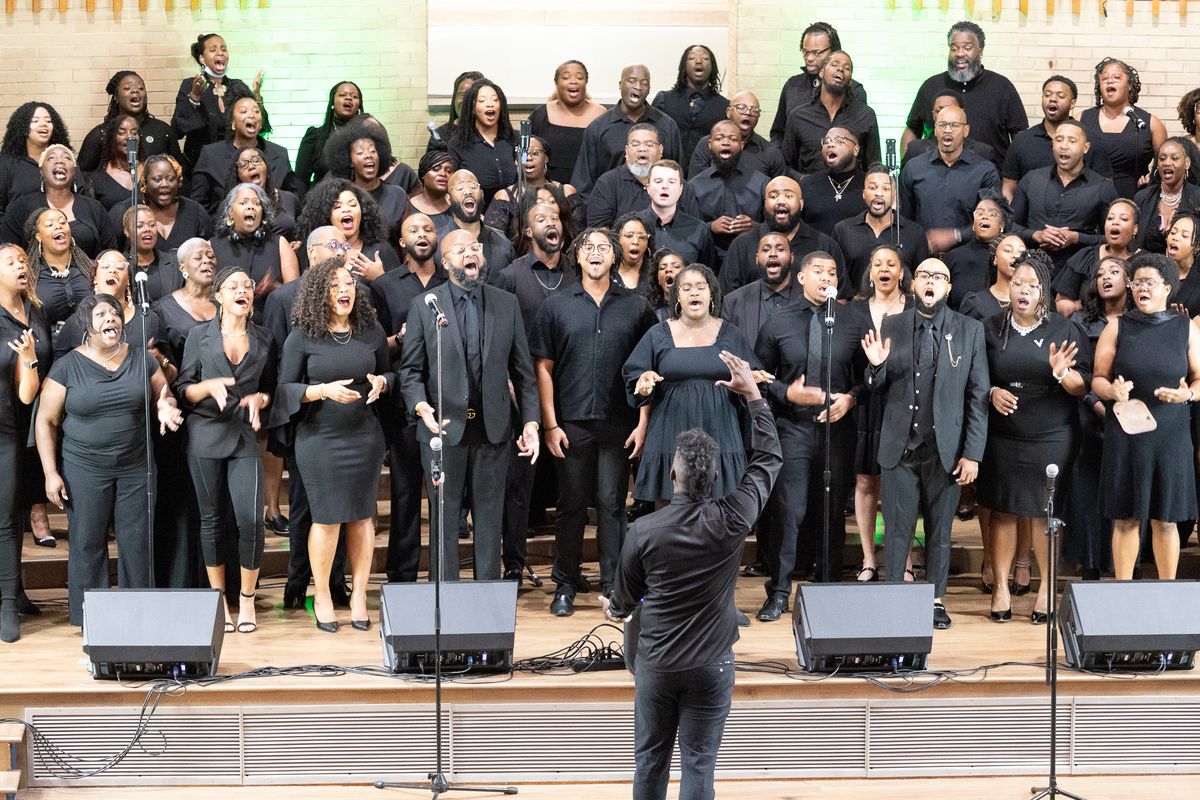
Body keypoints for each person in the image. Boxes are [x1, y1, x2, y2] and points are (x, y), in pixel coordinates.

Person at [605, 349, 780, 800]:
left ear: (671, 475)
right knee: (699, 766)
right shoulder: (734, 516)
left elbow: (623, 603)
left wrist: (620, 605)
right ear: (718, 475)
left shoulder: (644, 530)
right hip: (711, 665)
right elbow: (768, 460)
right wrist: (755, 398)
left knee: (650, 763)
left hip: (657, 665)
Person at [398, 228, 539, 581]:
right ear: (445, 263)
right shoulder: (425, 306)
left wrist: (532, 423)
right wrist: (420, 406)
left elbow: (523, 371)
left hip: (492, 427)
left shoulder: (505, 304)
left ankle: (486, 601)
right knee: (444, 517)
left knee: (490, 518)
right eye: (461, 250)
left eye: (475, 247)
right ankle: (445, 600)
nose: (470, 253)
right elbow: (411, 370)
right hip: (442, 429)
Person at [34, 294, 183, 626]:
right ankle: (92, 619)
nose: (111, 319)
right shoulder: (68, 365)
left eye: (115, 314)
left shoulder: (142, 358)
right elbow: (45, 420)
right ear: (87, 325)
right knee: (87, 543)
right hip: (84, 468)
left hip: (136, 467)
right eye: (101, 315)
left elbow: (164, 393)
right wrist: (50, 473)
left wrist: (166, 405)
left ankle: (138, 617)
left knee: (137, 542)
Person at [533, 227, 656, 615]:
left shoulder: (636, 307)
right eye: (589, 247)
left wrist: (643, 423)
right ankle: (566, 583)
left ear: (615, 257)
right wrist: (550, 425)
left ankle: (614, 585)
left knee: (612, 504)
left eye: (605, 247)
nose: (597, 253)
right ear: (579, 257)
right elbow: (544, 367)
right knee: (570, 506)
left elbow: (649, 370)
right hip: (571, 424)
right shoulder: (557, 305)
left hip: (620, 422)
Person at [861, 257, 989, 628]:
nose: (930, 281)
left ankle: (933, 598)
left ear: (948, 287)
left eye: (939, 276)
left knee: (939, 530)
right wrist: (875, 367)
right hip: (900, 445)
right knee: (898, 527)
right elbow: (876, 386)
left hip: (945, 449)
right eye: (924, 275)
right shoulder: (894, 324)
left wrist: (972, 453)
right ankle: (893, 596)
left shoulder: (969, 330)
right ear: (913, 283)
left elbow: (978, 396)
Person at [271, 259, 390, 631]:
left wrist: (382, 383)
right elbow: (284, 390)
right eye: (336, 285)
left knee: (361, 516)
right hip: (319, 439)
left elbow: (388, 372)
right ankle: (321, 593)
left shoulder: (371, 331)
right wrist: (321, 390)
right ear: (320, 293)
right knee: (325, 519)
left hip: (364, 436)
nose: (345, 290)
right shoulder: (302, 336)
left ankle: (357, 595)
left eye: (350, 284)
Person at [979, 249, 1089, 625]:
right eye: (1017, 283)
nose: (1023, 290)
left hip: (1051, 430)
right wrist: (991, 392)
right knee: (1004, 508)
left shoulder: (1064, 328)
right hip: (1005, 432)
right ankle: (1001, 589)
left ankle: (1046, 588)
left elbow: (1081, 387)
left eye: (1031, 285)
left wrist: (1061, 374)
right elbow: (976, 377)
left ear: (1044, 291)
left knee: (1046, 512)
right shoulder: (990, 327)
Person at [755, 250, 865, 621]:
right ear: (800, 278)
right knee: (791, 509)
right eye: (817, 270)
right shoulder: (778, 321)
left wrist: (851, 399)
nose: (826, 276)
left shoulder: (853, 320)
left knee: (833, 509)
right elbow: (760, 377)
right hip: (794, 428)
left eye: (832, 271)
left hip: (839, 429)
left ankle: (830, 585)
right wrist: (788, 393)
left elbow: (870, 377)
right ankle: (779, 590)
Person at [177, 265, 276, 634]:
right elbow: (184, 388)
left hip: (243, 436)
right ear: (218, 296)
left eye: (247, 286)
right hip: (204, 433)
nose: (242, 291)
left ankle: (247, 600)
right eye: (233, 286)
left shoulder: (265, 338)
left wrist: (259, 399)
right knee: (211, 520)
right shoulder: (198, 336)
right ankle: (218, 598)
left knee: (250, 520)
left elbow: (271, 389)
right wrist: (208, 387)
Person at [1092, 253, 1200, 581]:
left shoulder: (1186, 327)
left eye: (1149, 282)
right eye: (1136, 282)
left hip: (1170, 435)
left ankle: (1166, 593)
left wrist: (1188, 395)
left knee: (1165, 520)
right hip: (1127, 433)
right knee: (1125, 518)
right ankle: (1124, 591)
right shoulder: (1117, 327)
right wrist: (1113, 392)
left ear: (1167, 288)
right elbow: (1097, 378)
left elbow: (1199, 379)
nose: (1141, 288)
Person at [263, 228, 352, 609]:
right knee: (305, 506)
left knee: (343, 509)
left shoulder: (354, 299)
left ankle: (336, 582)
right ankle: (298, 581)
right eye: (331, 246)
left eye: (343, 246)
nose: (338, 251)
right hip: (305, 416)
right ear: (310, 253)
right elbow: (277, 361)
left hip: (345, 420)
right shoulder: (285, 297)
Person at [623, 263, 757, 503]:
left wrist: (750, 380)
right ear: (677, 297)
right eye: (686, 288)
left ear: (711, 294)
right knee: (669, 515)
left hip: (720, 431)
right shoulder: (658, 333)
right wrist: (643, 383)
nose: (694, 292)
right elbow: (636, 375)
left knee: (721, 514)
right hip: (669, 431)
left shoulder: (731, 333)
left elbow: (752, 375)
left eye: (700, 287)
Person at [492, 202, 574, 581]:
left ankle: (567, 567)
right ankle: (514, 562)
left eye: (555, 218)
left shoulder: (577, 274)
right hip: (521, 390)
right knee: (517, 483)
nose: (550, 224)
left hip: (571, 391)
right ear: (528, 232)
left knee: (571, 485)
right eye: (541, 220)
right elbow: (497, 334)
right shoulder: (510, 276)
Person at [370, 214, 446, 584]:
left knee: (443, 496)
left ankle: (442, 574)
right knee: (404, 494)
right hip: (404, 402)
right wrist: (401, 338)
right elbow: (375, 349)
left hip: (448, 400)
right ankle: (402, 576)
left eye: (428, 229)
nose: (422, 234)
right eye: (413, 230)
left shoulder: (452, 282)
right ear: (401, 242)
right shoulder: (384, 286)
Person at [849, 245, 912, 582]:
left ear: (902, 272)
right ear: (870, 272)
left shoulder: (915, 309)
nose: (884, 269)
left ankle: (903, 560)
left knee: (901, 484)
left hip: (904, 404)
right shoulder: (855, 311)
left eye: (891, 264)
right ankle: (869, 558)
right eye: (877, 264)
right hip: (866, 404)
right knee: (865, 481)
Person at [1064, 256, 1129, 579]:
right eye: (1100, 273)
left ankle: (1123, 567)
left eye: (1115, 272)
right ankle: (1090, 566)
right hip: (1090, 417)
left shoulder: (1138, 321)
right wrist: (1097, 406)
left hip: (1131, 418)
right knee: (1090, 493)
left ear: (1129, 281)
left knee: (1125, 491)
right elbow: (1080, 374)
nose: (1106, 277)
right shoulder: (1080, 322)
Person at [902, 21, 1027, 170]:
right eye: (954, 48)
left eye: (967, 48)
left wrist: (1013, 176)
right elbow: (912, 129)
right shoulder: (931, 86)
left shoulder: (1002, 87)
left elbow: (1020, 135)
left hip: (990, 182)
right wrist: (906, 168)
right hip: (934, 179)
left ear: (980, 51)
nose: (960, 54)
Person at [0, 244, 45, 642]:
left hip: (23, 426)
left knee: (13, 514)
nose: (22, 267)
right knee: (2, 519)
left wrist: (30, 358)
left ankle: (14, 591)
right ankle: (5, 604)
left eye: (24, 262)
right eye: (12, 263)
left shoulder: (36, 311)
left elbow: (27, 392)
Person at [1010, 120, 1117, 271]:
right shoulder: (1031, 179)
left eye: (1072, 141)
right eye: (1058, 140)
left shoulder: (1102, 187)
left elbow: (1114, 238)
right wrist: (1036, 235)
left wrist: (1076, 238)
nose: (1064, 146)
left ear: (1086, 148)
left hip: (1079, 271)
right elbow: (1009, 226)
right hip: (1031, 270)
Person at [899, 104, 1001, 255]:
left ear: (966, 131)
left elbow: (992, 223)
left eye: (954, 125)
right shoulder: (913, 168)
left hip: (969, 257)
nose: (947, 130)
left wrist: (955, 236)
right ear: (935, 130)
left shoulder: (985, 171)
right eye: (942, 125)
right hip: (923, 257)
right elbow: (904, 220)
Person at [718, 176, 845, 294]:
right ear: (765, 203)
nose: (781, 201)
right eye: (773, 196)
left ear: (801, 204)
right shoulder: (742, 245)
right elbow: (728, 296)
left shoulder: (825, 245)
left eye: (789, 196)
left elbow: (840, 297)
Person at [571, 64, 684, 197]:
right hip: (612, 208)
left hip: (658, 209)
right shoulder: (598, 128)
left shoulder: (667, 126)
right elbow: (584, 182)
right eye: (632, 81)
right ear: (620, 85)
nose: (638, 86)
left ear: (649, 89)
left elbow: (679, 174)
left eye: (644, 83)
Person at [172, 32, 266, 173]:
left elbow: (261, 128)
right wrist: (195, 97)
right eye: (213, 49)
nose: (220, 53)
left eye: (223, 49)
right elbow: (178, 129)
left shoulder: (237, 86)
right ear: (202, 58)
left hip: (236, 165)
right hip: (200, 166)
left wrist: (257, 95)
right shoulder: (189, 85)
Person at [0, 144, 116, 258]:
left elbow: (110, 253)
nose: (59, 161)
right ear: (41, 171)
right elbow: (6, 251)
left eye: (66, 157)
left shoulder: (95, 208)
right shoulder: (21, 207)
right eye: (51, 158)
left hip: (87, 275)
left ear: (75, 171)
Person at [1079, 58, 1167, 201]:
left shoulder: (1150, 123)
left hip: (1134, 200)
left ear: (1130, 85)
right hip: (1088, 198)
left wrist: (1152, 177)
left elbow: (1165, 163)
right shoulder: (1081, 119)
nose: (1110, 81)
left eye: (1116, 77)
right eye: (1104, 78)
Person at [189, 95, 295, 214]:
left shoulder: (279, 154)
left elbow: (291, 200)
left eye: (256, 111)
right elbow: (198, 205)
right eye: (244, 111)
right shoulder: (211, 154)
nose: (251, 115)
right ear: (233, 122)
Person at [833, 163, 928, 295]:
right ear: (864, 194)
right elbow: (837, 278)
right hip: (855, 309)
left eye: (886, 189)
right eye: (873, 188)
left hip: (901, 311)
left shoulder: (914, 232)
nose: (879, 193)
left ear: (894, 195)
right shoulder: (843, 230)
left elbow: (921, 279)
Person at [781, 51, 879, 176]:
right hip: (809, 192)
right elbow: (785, 165)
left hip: (851, 191)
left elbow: (873, 163)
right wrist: (803, 181)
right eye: (835, 64)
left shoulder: (865, 115)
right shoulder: (798, 116)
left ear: (850, 81)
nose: (840, 69)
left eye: (846, 68)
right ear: (821, 73)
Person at [770, 20, 867, 145]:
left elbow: (861, 138)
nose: (809, 58)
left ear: (833, 51)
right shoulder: (792, 86)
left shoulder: (854, 89)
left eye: (817, 53)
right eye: (806, 51)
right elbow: (778, 133)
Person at [1002, 76, 1096, 201]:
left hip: (1077, 215)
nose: (1052, 99)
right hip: (1031, 217)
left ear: (1072, 103)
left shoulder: (1088, 140)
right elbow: (1009, 186)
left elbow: (1102, 184)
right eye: (1047, 95)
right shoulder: (1022, 140)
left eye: (1060, 96)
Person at [210, 183, 299, 312]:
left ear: (263, 215)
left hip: (268, 325)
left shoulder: (280, 243)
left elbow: (296, 297)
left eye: (257, 204)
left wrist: (276, 288)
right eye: (243, 203)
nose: (251, 207)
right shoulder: (212, 247)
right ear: (230, 212)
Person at [689, 120, 769, 262]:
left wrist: (754, 226)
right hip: (707, 259)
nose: (726, 143)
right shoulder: (694, 186)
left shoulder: (762, 183)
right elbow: (686, 227)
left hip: (751, 259)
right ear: (709, 144)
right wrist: (710, 227)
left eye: (733, 139)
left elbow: (777, 226)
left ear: (742, 145)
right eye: (719, 139)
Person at [77, 71, 182, 174]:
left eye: (141, 88)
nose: (135, 91)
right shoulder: (101, 134)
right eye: (127, 88)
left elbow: (180, 172)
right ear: (116, 97)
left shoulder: (163, 131)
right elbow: (82, 175)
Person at [1053, 197, 1142, 316]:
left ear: (1135, 229)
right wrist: (1075, 307)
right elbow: (1060, 302)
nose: (1115, 222)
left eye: (1124, 219)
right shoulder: (1086, 256)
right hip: (1086, 328)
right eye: (1110, 218)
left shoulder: (1144, 262)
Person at [484, 135, 580, 241]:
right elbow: (494, 241)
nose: (529, 158)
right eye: (524, 153)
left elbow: (578, 235)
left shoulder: (566, 192)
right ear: (516, 161)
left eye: (535, 153)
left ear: (546, 158)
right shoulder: (504, 196)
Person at [109, 154, 212, 252]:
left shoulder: (195, 212)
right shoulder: (124, 212)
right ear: (145, 183)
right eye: (157, 179)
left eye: (170, 179)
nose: (164, 184)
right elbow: (112, 253)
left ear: (178, 181)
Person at [295, 179, 400, 275]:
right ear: (325, 214)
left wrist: (380, 277)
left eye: (352, 205)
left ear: (363, 211)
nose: (346, 209)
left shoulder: (381, 250)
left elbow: (398, 292)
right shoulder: (313, 249)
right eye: (337, 206)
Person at [651, 45, 730, 174]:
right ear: (684, 66)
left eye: (705, 58)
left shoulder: (724, 106)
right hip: (667, 174)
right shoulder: (664, 100)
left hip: (706, 176)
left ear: (713, 67)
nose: (698, 61)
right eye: (692, 58)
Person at [323, 120, 408, 235]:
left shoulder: (397, 195)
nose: (368, 156)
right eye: (360, 152)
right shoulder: (340, 195)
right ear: (350, 161)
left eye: (373, 151)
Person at [529, 60, 607, 184]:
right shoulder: (540, 115)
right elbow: (526, 155)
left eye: (579, 77)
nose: (573, 81)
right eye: (566, 77)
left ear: (586, 82)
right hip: (547, 192)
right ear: (556, 83)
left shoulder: (601, 115)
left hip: (590, 190)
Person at [721, 231, 803, 347]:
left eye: (780, 249)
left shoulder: (808, 298)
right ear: (757, 258)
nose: (773, 254)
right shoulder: (733, 302)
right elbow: (727, 350)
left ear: (792, 257)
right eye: (765, 250)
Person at [446, 79, 517, 206]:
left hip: (514, 211)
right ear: (472, 109)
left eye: (495, 100)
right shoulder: (457, 144)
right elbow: (451, 188)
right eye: (482, 101)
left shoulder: (513, 138)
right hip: (475, 215)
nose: (490, 104)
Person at [690, 90, 787, 180]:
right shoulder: (706, 145)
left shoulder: (771, 153)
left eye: (754, 110)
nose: (748, 113)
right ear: (729, 112)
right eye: (741, 108)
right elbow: (695, 186)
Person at [943, 191, 1014, 310]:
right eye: (980, 213)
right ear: (973, 224)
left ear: (1002, 224)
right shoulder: (953, 257)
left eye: (992, 214)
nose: (985, 216)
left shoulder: (1010, 258)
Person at [26, 207, 94, 330]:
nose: (58, 226)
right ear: (38, 236)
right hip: (49, 345)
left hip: (91, 342)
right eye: (49, 225)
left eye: (62, 222)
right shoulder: (30, 274)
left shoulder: (89, 267)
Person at [639, 161, 715, 271]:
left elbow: (706, 273)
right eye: (658, 181)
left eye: (671, 182)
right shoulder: (632, 225)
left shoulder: (699, 230)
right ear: (648, 188)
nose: (665, 186)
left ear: (680, 189)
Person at [587, 124, 663, 228]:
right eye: (635, 145)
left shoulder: (674, 183)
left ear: (660, 150)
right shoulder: (607, 182)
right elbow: (598, 229)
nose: (642, 149)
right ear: (626, 151)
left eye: (649, 145)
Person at [1133, 137, 1200, 254]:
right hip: (1149, 268)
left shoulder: (1197, 197)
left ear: (1187, 163)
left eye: (1174, 158)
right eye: (1162, 158)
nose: (1167, 163)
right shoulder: (1142, 197)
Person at [0, 102, 71, 213]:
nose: (43, 124)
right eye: (35, 121)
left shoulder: (65, 162)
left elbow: (81, 199)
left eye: (48, 121)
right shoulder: (6, 165)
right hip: (18, 228)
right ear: (22, 127)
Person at [221, 145, 300, 241]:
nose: (251, 166)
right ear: (238, 176)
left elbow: (301, 233)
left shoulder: (290, 199)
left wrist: (299, 243)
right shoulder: (229, 205)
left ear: (266, 166)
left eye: (256, 160)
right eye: (243, 164)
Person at [798, 127, 867, 237]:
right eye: (826, 141)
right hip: (816, 252)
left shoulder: (868, 184)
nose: (830, 145)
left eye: (839, 140)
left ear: (855, 150)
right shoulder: (808, 184)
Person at [295, 80, 364, 190]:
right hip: (323, 200)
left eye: (354, 97)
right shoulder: (315, 136)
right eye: (342, 95)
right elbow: (300, 180)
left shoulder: (366, 137)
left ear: (359, 105)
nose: (348, 98)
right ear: (332, 102)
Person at [902, 92, 997, 166]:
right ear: (933, 114)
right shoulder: (915, 149)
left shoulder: (983, 152)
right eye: (939, 110)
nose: (944, 113)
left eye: (949, 108)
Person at [960, 233, 1026, 322]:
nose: (1015, 255)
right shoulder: (976, 302)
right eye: (1008, 250)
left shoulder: (1035, 300)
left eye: (1021, 252)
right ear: (995, 259)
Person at [86, 114, 140, 210]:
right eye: (121, 133)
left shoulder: (150, 171)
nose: (129, 137)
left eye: (134, 133)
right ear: (112, 138)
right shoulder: (98, 178)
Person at [426, 70, 485, 150]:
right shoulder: (440, 135)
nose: (465, 101)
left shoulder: (491, 133)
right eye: (461, 95)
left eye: (471, 95)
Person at [408, 149, 455, 232]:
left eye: (449, 171)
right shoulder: (406, 208)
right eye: (436, 169)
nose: (443, 174)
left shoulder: (458, 208)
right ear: (423, 174)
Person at [1164, 210, 1200, 316]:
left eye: (1184, 236)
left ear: (1197, 246)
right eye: (1173, 232)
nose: (1175, 238)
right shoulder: (1155, 270)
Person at [612, 212, 655, 294]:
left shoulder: (655, 274)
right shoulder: (606, 272)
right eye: (629, 236)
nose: (635, 241)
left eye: (642, 237)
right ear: (617, 239)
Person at [648, 247, 683, 322]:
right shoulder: (651, 315)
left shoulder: (697, 309)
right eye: (662, 268)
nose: (668, 269)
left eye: (676, 266)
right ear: (658, 280)